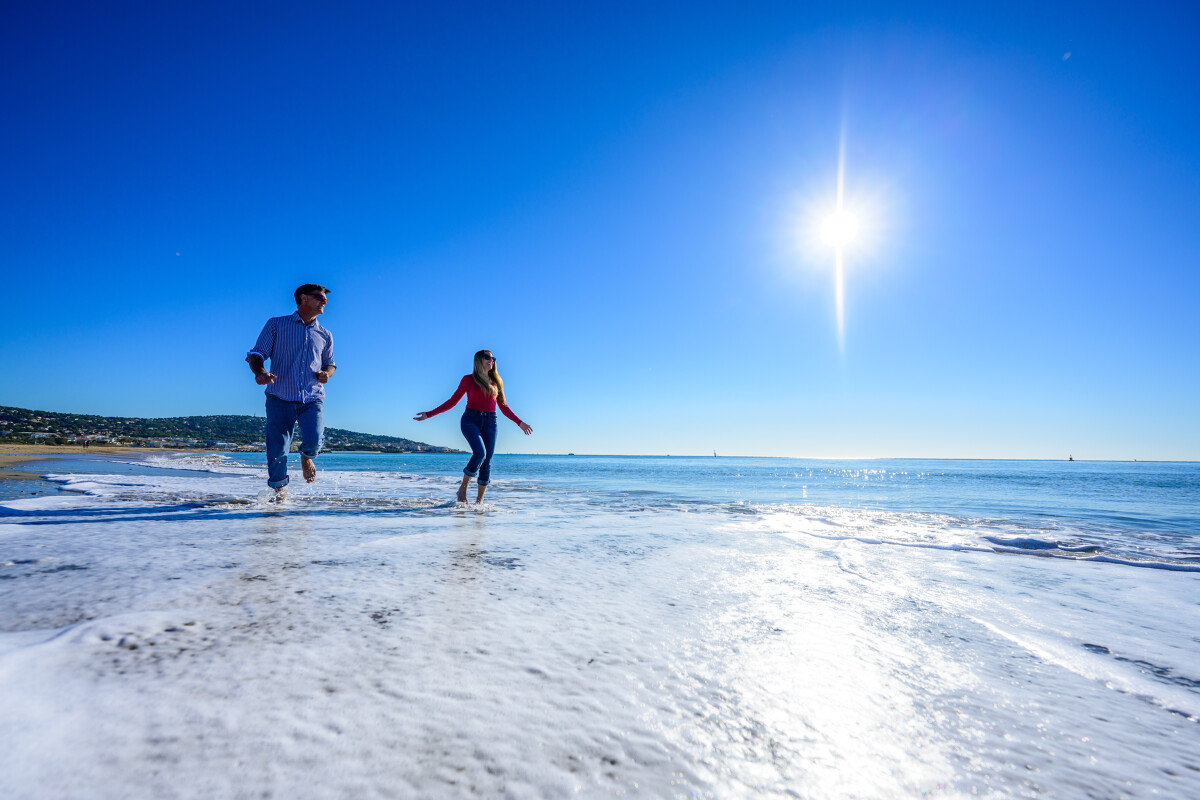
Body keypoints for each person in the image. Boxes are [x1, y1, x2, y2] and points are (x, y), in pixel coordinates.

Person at [246, 284, 336, 499]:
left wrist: (327, 373)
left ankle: (306, 457)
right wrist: (260, 372)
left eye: (325, 298)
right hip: (279, 395)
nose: (324, 301)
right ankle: (280, 493)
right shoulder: (276, 324)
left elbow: (331, 364)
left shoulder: (325, 334)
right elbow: (256, 353)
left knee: (314, 439)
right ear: (303, 298)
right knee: (277, 449)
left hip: (312, 397)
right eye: (319, 297)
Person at [414, 350, 532, 504]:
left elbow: (503, 406)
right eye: (488, 357)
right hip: (470, 420)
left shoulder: (496, 382)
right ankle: (462, 489)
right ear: (478, 360)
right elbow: (452, 402)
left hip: (491, 422)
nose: (492, 360)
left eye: (493, 358)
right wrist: (429, 414)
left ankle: (479, 503)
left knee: (487, 460)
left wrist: (519, 422)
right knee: (480, 453)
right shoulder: (468, 379)